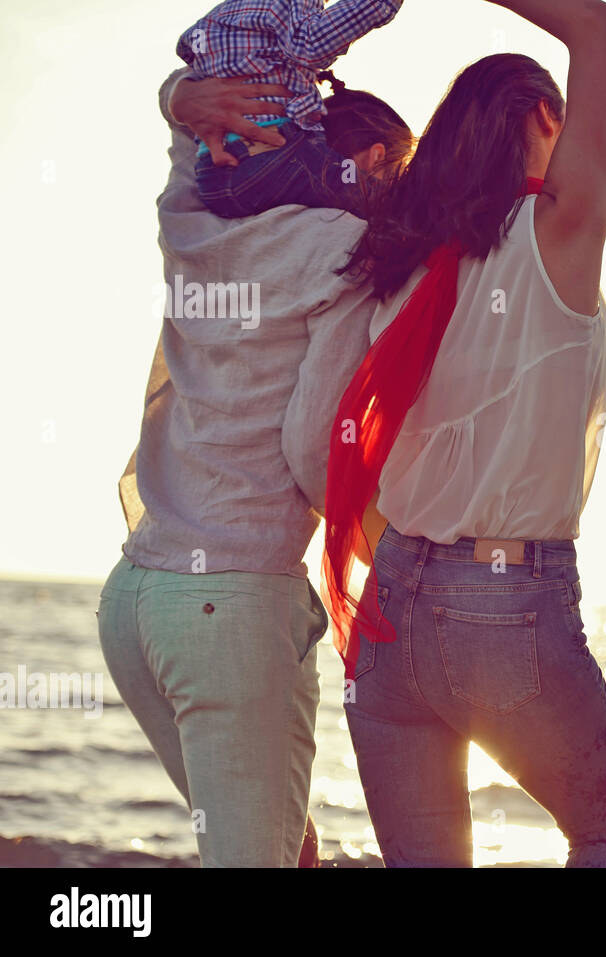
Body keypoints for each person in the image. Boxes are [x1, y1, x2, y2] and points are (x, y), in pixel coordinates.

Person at [324, 0, 606, 867]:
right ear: (547, 119)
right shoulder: (556, 238)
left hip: (392, 610)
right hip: (503, 602)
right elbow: (593, 22)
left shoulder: (397, 268)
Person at [97, 68, 412, 867]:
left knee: (281, 848)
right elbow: (314, 452)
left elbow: (190, 116)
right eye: (400, 174)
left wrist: (172, 93)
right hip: (229, 608)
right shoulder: (344, 251)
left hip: (134, 601)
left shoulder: (194, 215)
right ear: (374, 159)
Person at [177, 0, 404, 218]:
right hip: (268, 158)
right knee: (351, 182)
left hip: (211, 176)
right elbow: (311, 44)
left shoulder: (219, 16)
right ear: (377, 155)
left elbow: (187, 50)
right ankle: (406, 204)